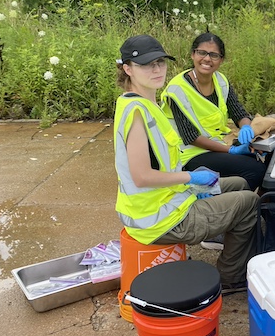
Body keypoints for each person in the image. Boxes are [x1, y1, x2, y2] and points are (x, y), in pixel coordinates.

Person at [114, 34, 258, 295]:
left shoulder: (145, 103)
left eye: (160, 62)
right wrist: (190, 180)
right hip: (158, 219)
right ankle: (229, 277)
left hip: (165, 200)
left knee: (238, 182)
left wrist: (188, 182)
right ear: (127, 69)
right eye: (146, 65)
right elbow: (142, 176)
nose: (156, 69)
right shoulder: (137, 111)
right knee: (248, 202)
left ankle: (223, 235)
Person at [161, 32, 266, 251]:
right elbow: (191, 137)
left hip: (218, 144)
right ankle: (219, 226)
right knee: (253, 170)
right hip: (189, 154)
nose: (207, 59)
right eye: (202, 53)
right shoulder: (177, 89)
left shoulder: (220, 81)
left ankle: (257, 216)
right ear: (192, 55)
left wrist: (246, 125)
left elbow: (239, 112)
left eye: (214, 55)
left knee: (267, 156)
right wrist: (231, 151)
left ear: (221, 60)